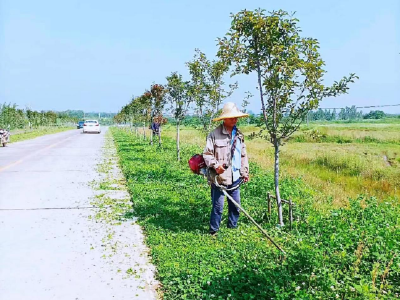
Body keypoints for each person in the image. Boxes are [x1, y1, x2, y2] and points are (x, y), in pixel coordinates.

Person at [203, 102, 250, 236]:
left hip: (235, 176)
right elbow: (207, 154)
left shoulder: (239, 135)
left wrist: (244, 171)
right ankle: (213, 231)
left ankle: (232, 229)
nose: (234, 120)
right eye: (231, 118)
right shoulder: (214, 134)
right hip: (220, 177)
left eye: (236, 117)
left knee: (235, 205)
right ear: (224, 119)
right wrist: (216, 166)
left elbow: (243, 155)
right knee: (218, 207)